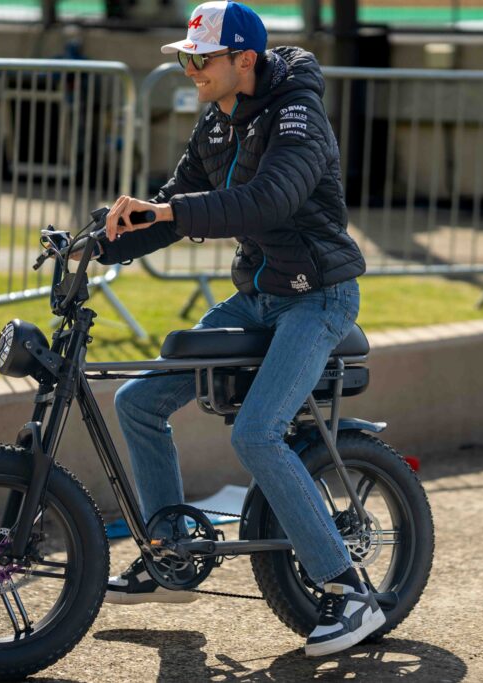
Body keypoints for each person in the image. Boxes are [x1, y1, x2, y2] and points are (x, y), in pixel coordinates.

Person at [93, 1, 376, 657]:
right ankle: (175, 555)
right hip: (257, 295)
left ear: (243, 59)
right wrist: (97, 241)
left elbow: (268, 200)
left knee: (257, 432)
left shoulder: (298, 116)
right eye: (186, 58)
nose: (189, 68)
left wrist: (169, 207)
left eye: (201, 58)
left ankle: (350, 590)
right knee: (138, 401)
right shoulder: (218, 126)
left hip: (317, 298)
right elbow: (170, 209)